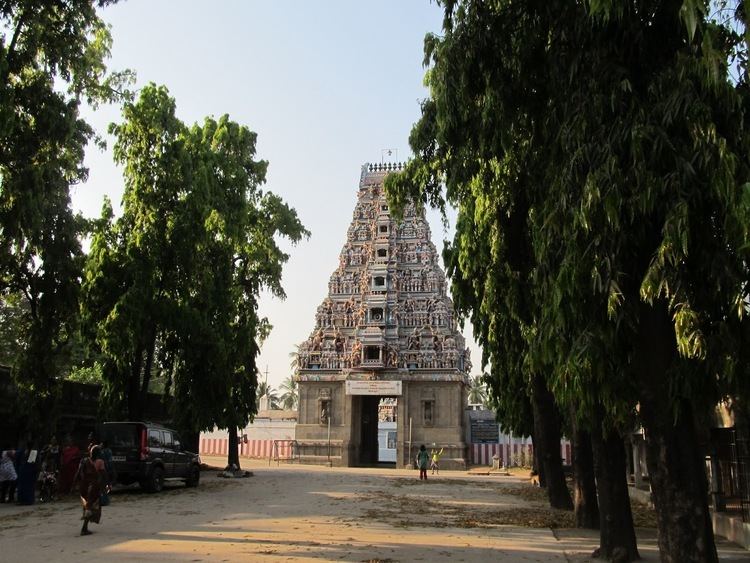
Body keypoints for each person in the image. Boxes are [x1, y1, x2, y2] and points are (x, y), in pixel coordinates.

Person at [77, 445, 107, 536]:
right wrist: (106, 486)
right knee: (91, 507)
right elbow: (104, 475)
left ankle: (85, 527)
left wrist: (74, 485)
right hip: (93, 487)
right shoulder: (100, 462)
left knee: (87, 506)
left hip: (84, 487)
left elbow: (78, 473)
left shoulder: (84, 461)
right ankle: (84, 528)